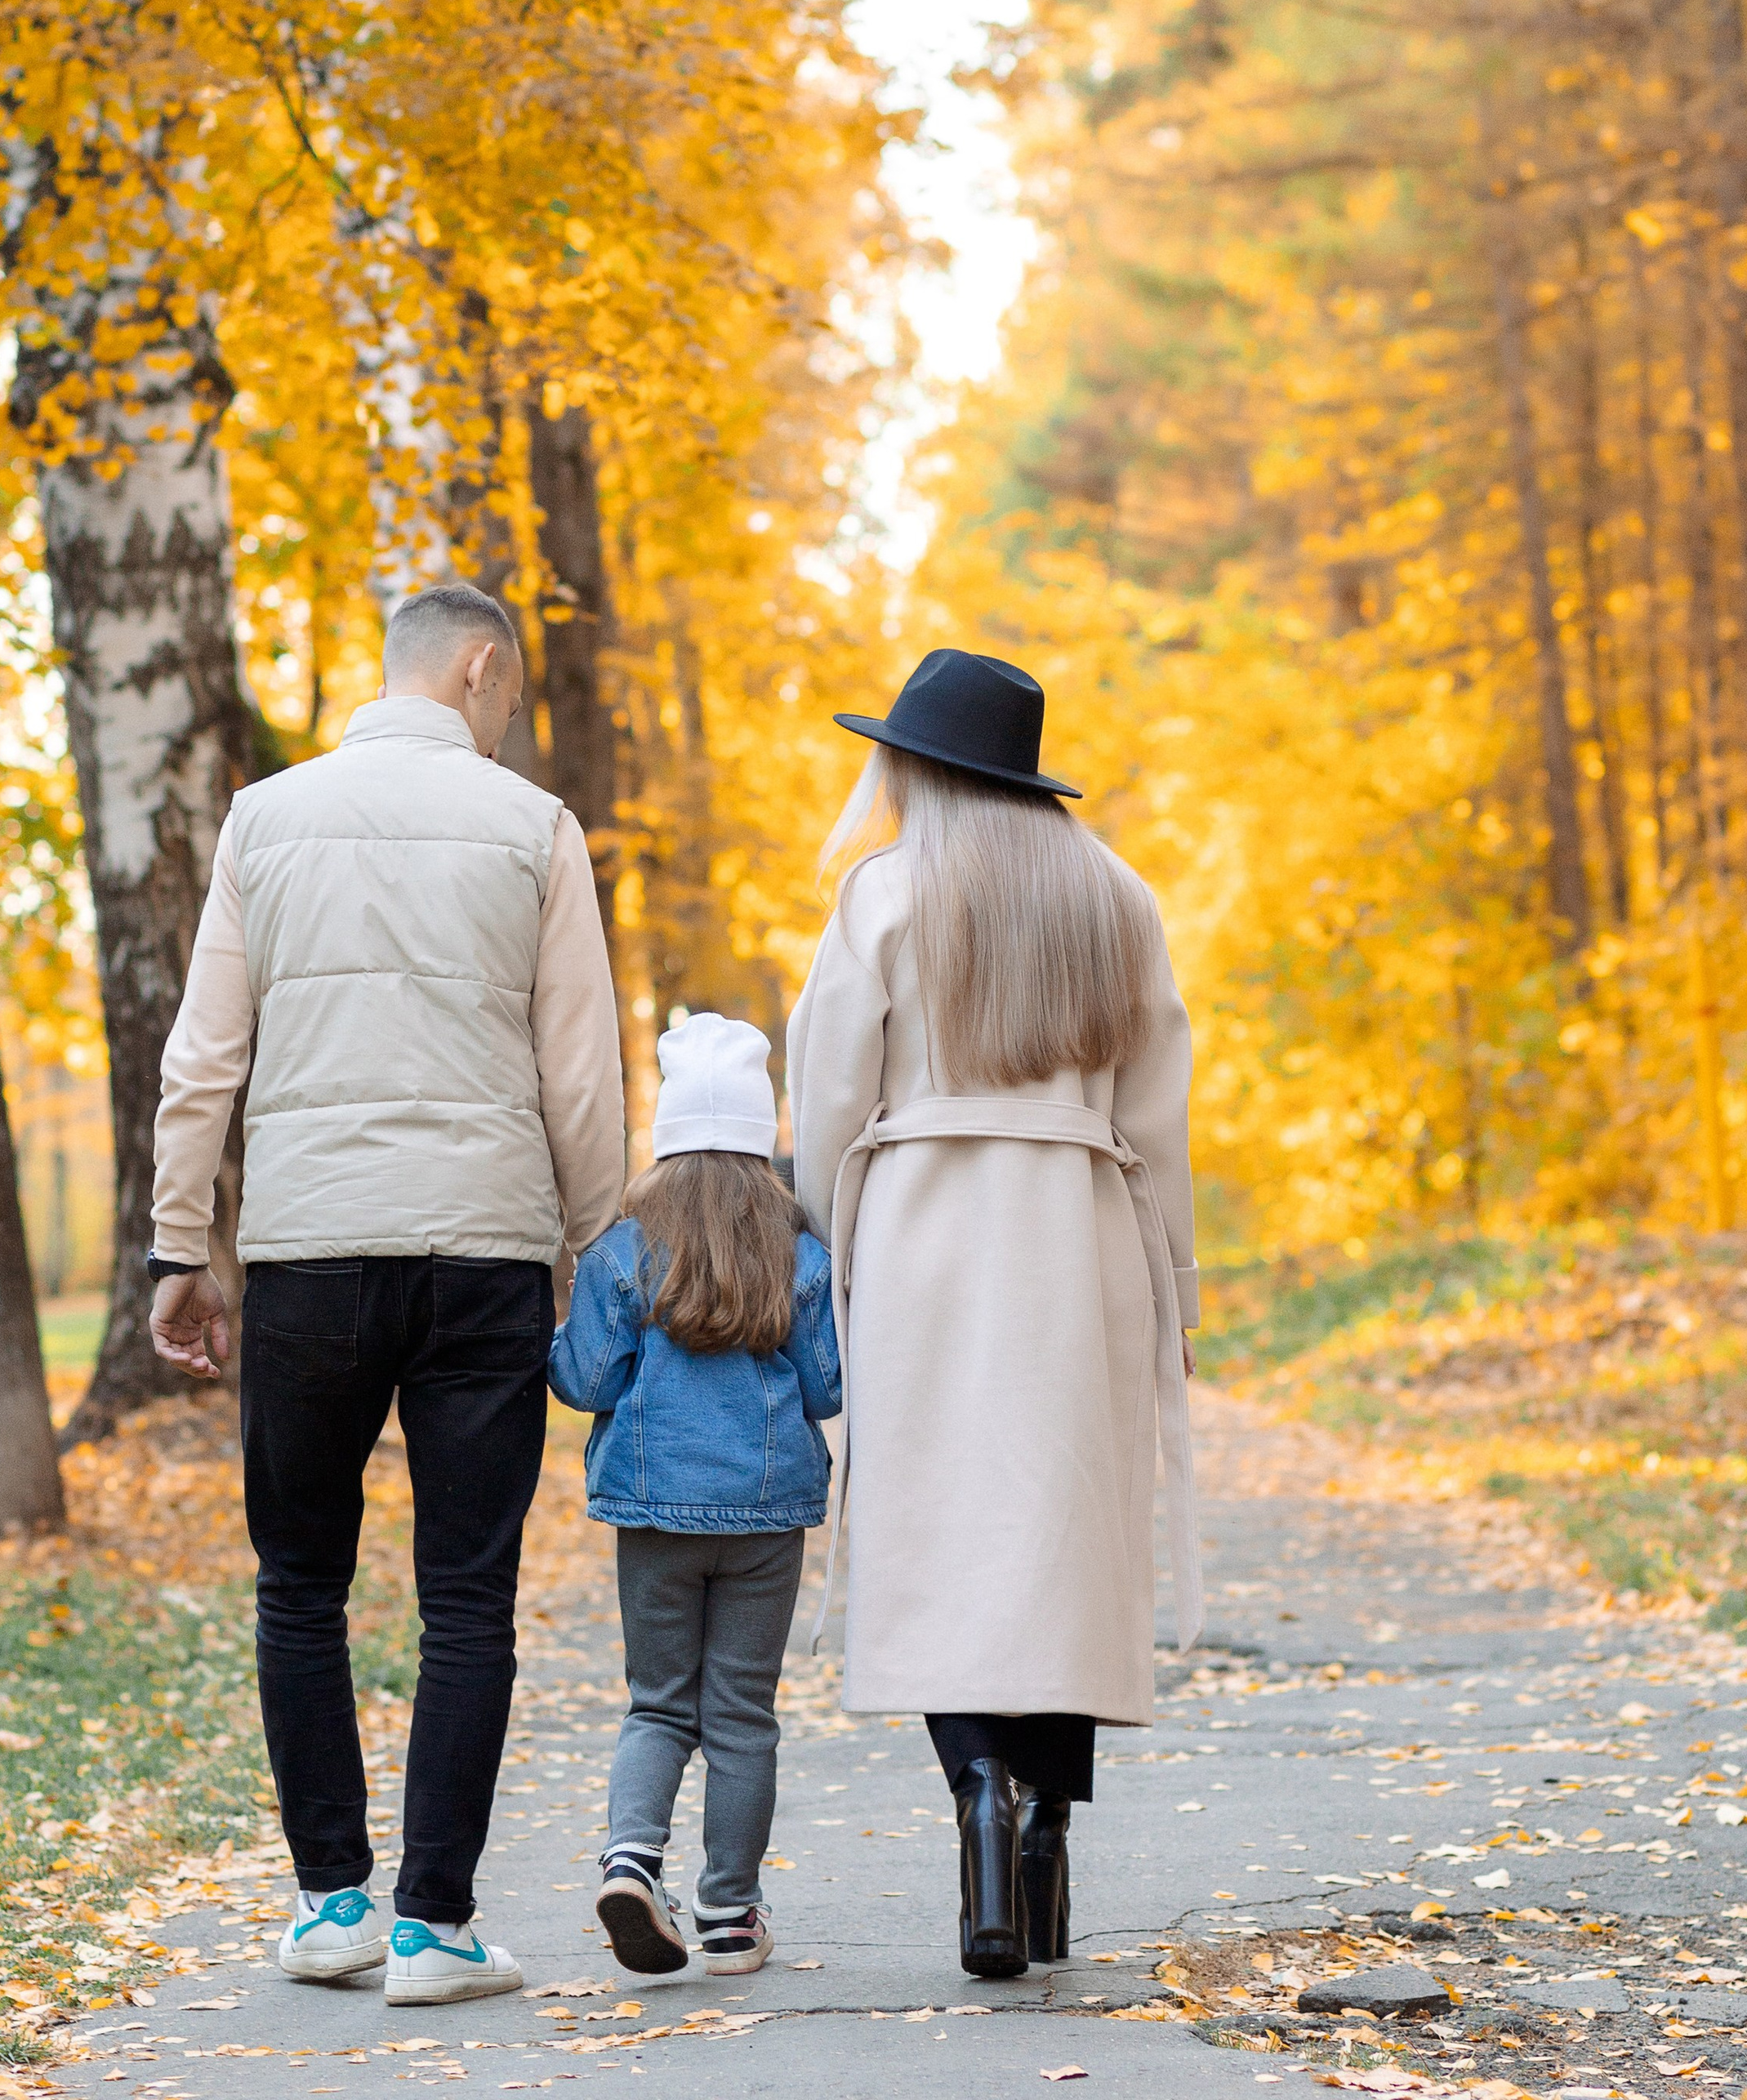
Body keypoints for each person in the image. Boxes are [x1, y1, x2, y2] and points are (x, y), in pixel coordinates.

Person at [143, 580, 625, 2010]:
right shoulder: (536, 826)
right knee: (468, 1596)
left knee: (301, 1582)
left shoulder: (264, 818)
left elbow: (203, 1058)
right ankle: (436, 1929)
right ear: (479, 668)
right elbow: (580, 1070)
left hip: (310, 1258)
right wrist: (595, 1249)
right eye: (511, 691)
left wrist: (181, 1247)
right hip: (485, 1258)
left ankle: (331, 1906)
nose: (510, 717)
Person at [787, 646, 1202, 1983]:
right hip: (1082, 1236)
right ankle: (1048, 1834)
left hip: (926, 1240)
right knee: (1065, 1539)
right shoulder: (1117, 895)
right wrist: (1176, 1288)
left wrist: (828, 1241)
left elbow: (831, 1093)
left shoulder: (885, 891)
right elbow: (1158, 1118)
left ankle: (978, 1790)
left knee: (939, 1533)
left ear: (917, 764)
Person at [549, 1013, 840, 1980]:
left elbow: (586, 1382)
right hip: (766, 1518)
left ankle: (631, 1862)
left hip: (653, 1515)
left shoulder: (621, 1253)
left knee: (659, 1705)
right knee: (742, 1716)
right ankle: (727, 1914)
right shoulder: (801, 1258)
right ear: (765, 1145)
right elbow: (828, 1389)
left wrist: (558, 1328)